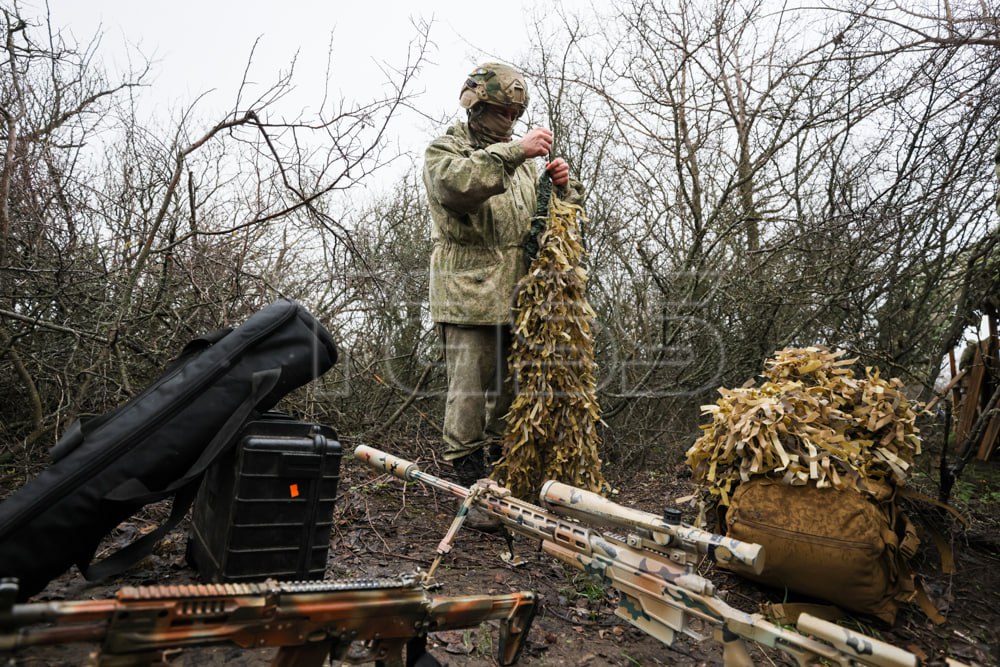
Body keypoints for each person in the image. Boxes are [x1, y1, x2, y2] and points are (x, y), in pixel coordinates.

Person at [422, 63, 584, 525]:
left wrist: (562, 187)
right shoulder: (445, 149)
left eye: (516, 114)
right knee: (469, 393)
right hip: (468, 293)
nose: (510, 121)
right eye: (503, 112)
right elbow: (458, 186)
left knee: (511, 392)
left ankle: (503, 481)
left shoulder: (518, 162)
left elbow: (551, 223)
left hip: (518, 296)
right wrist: (517, 151)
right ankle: (468, 488)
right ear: (477, 105)